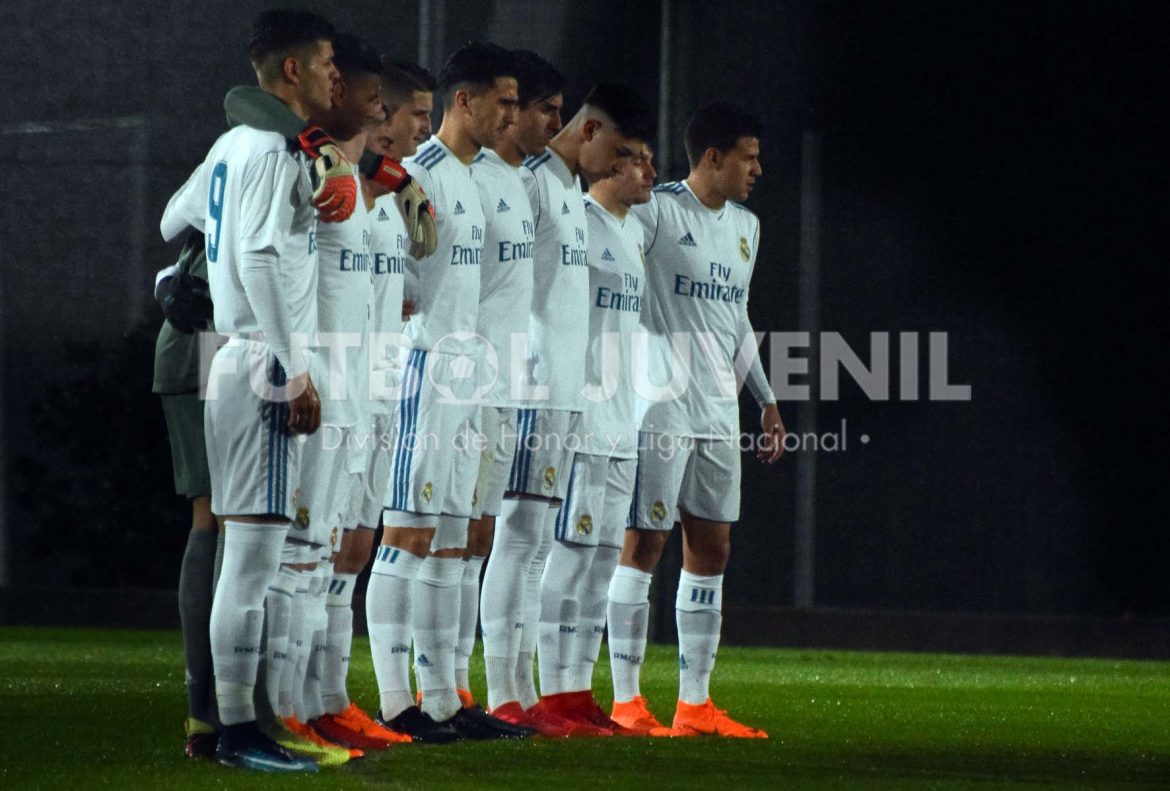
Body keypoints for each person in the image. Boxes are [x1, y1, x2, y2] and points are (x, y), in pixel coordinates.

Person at [159, 8, 337, 771]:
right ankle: (238, 729)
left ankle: (232, 724)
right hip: (260, 357)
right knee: (254, 555)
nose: (335, 74)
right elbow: (263, 256)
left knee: (246, 547)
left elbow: (179, 215)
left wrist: (196, 266)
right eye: (326, 62)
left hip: (232, 354)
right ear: (291, 71)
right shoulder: (271, 146)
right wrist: (295, 370)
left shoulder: (232, 145)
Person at [479, 81, 653, 733]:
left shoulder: (567, 193)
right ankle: (509, 691)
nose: (618, 163)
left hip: (566, 398)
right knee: (523, 542)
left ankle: (543, 694)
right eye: (616, 149)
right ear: (589, 131)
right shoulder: (529, 183)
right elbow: (504, 286)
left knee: (533, 546)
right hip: (532, 389)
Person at [613, 102, 785, 739]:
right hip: (658, 404)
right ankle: (627, 701)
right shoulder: (656, 210)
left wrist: (764, 399)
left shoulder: (747, 227)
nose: (758, 169)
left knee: (712, 548)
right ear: (712, 156)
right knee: (644, 546)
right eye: (749, 156)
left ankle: (694, 705)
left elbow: (736, 316)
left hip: (717, 408)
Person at [376, 41, 531, 741]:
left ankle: (441, 697)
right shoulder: (419, 174)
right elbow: (394, 270)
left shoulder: (473, 176)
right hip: (427, 372)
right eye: (503, 99)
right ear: (462, 101)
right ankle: (391, 699)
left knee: (452, 538)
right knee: (405, 533)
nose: (514, 113)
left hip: (471, 378)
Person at [536, 145, 668, 735]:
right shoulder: (581, 225)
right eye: (640, 161)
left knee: (599, 563)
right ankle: (551, 690)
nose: (652, 173)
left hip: (623, 421)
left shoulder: (632, 231)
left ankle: (579, 691)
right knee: (569, 555)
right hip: (584, 419)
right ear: (612, 166)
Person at [462, 49, 561, 733]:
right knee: (445, 538)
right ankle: (470, 688)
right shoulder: (462, 177)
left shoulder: (533, 178)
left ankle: (498, 691)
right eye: (531, 107)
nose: (547, 122)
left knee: (487, 538)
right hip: (468, 385)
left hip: (509, 384)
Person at [360, 57, 443, 744]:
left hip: (388, 383)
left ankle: (383, 703)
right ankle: (389, 699)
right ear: (380, 110)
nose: (426, 123)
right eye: (418, 111)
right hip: (343, 385)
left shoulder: (400, 187)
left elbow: (415, 270)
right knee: (331, 548)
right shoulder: (329, 176)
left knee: (355, 540)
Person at [152, 231, 220, 758]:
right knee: (220, 518)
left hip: (222, 346)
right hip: (208, 347)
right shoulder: (259, 154)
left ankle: (234, 710)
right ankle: (209, 715)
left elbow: (175, 215)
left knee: (240, 523)